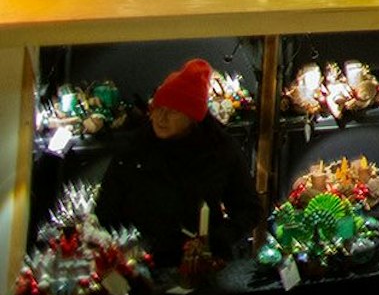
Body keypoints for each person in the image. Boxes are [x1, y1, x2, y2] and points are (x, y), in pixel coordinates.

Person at [95, 58, 261, 261]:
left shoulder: (219, 149)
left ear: (192, 118)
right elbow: (106, 210)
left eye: (172, 111)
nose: (161, 118)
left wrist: (216, 240)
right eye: (158, 108)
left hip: (201, 264)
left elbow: (249, 208)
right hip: (141, 264)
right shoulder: (134, 148)